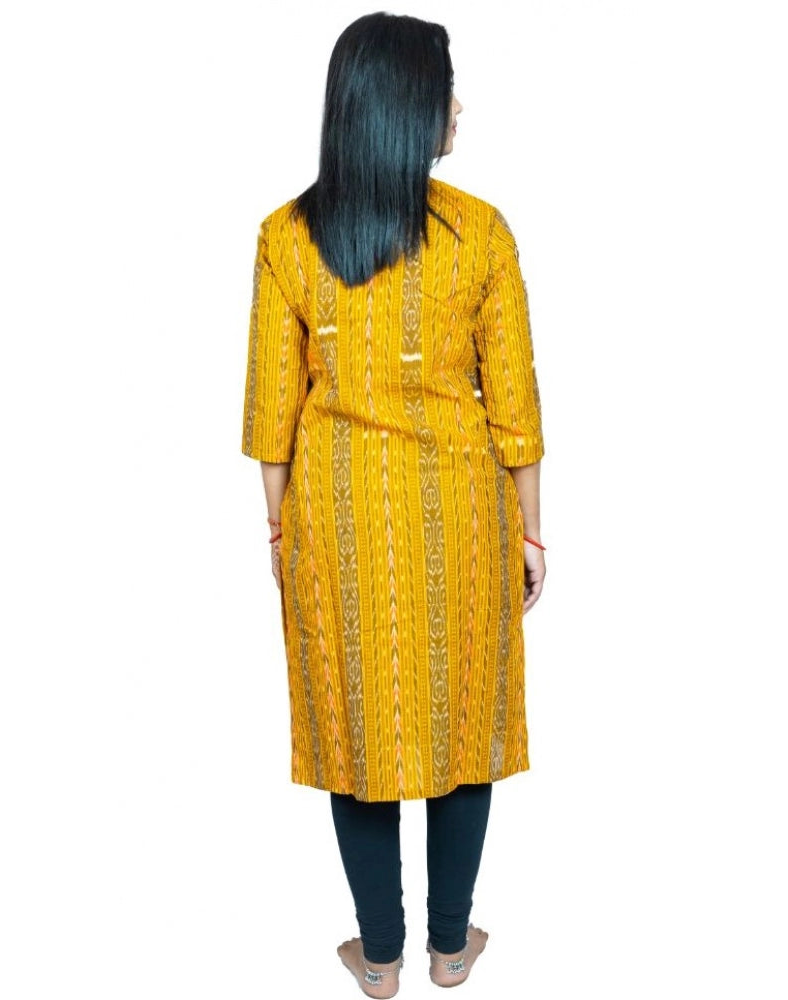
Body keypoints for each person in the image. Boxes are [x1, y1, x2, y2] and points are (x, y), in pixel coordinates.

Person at [241, 12, 545, 996]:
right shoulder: (479, 231)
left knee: (355, 729)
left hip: (334, 522)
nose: (458, 108)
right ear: (407, 107)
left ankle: (379, 959)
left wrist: (279, 532)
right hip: (463, 516)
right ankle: (451, 948)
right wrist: (532, 532)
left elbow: (271, 415)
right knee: (462, 724)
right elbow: (515, 407)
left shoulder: (286, 237)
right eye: (445, 90)